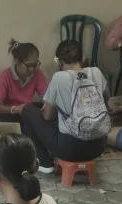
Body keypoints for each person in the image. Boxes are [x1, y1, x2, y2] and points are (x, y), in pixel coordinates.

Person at [21, 40, 109, 173]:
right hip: (99, 146)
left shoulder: (59, 77)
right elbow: (106, 100)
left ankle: (44, 162)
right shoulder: (96, 72)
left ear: (60, 63)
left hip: (70, 150)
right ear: (83, 58)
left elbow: (47, 116)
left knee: (28, 110)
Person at [0, 39, 48, 122]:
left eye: (35, 65)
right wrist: (15, 109)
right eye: (28, 65)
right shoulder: (5, 76)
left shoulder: (37, 73)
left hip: (27, 112)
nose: (32, 69)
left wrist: (47, 105)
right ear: (17, 61)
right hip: (9, 114)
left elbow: (46, 96)